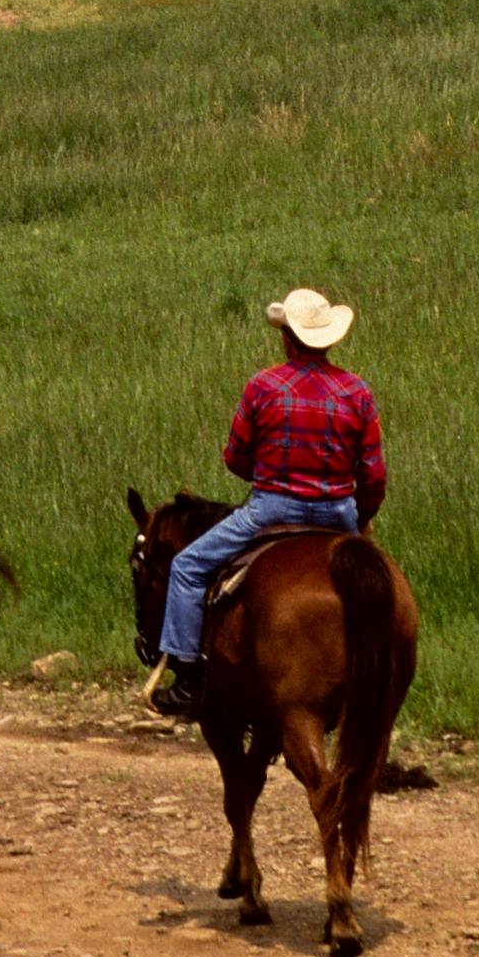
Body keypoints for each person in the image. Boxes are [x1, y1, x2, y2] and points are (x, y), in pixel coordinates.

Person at [147, 288, 389, 720]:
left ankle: (186, 681)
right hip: (338, 515)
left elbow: (236, 457)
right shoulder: (357, 392)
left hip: (272, 510)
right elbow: (373, 476)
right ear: (329, 340)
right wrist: (360, 517)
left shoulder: (263, 386)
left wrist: (268, 474)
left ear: (286, 338)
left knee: (186, 567)